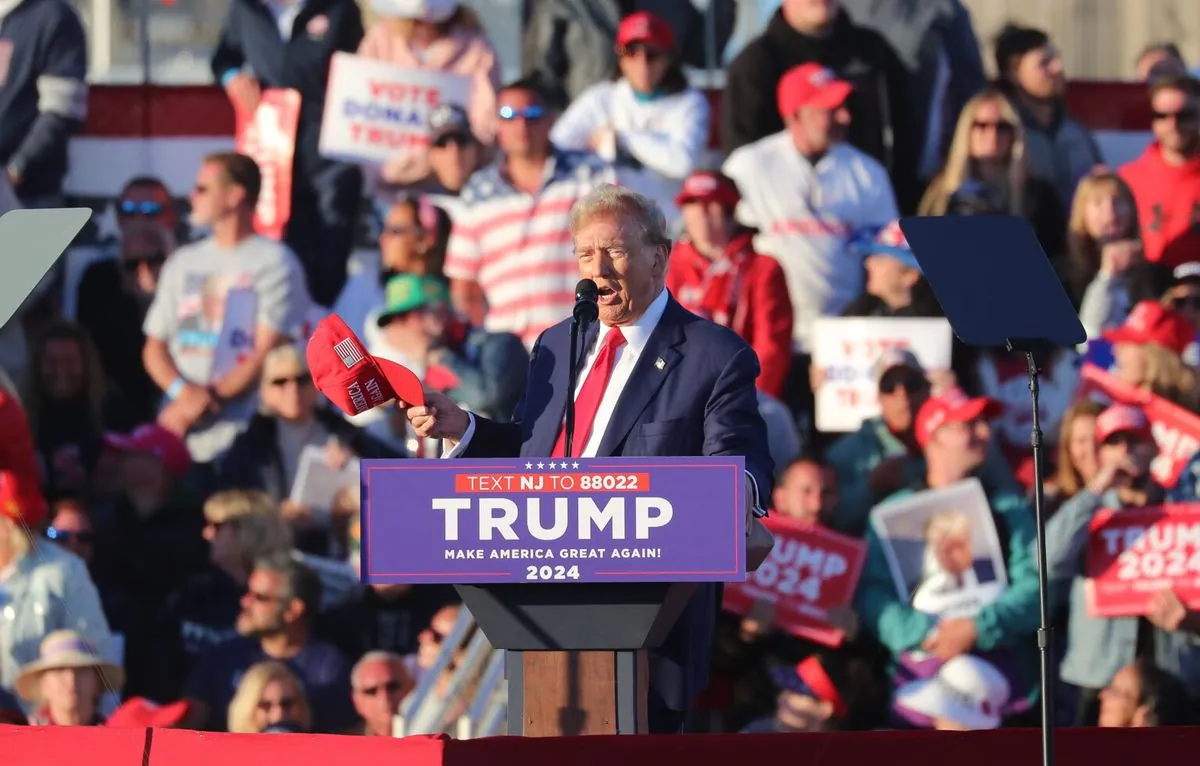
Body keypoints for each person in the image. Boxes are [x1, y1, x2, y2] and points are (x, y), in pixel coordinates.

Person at [399, 183, 774, 733]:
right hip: (544, 603)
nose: (597, 269)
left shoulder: (714, 355)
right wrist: (465, 428)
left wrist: (734, 493)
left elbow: (740, 463)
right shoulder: (557, 343)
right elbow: (534, 455)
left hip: (652, 620)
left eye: (615, 252)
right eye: (584, 254)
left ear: (659, 256)